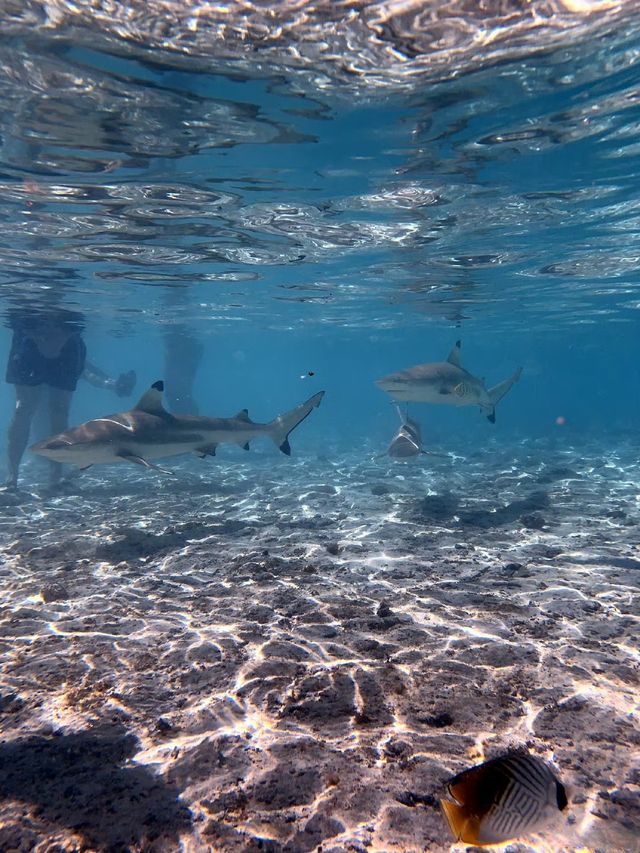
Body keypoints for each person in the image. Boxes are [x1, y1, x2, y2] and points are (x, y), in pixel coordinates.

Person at [4, 306, 136, 490]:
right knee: (24, 408)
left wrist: (56, 337)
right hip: (31, 342)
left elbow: (82, 368)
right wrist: (42, 336)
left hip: (64, 342)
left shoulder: (68, 333)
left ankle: (54, 477)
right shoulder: (29, 322)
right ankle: (12, 478)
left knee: (57, 411)